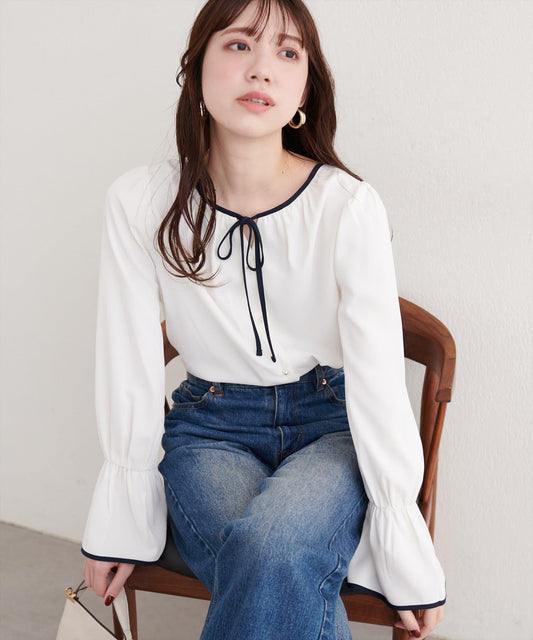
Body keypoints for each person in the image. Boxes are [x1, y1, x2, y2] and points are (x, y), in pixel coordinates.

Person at [81, 1, 446, 638]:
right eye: (238, 45)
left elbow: (379, 377)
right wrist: (119, 518)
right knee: (274, 557)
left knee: (271, 551)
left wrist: (402, 539)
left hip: (331, 427)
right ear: (196, 68)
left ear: (304, 90)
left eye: (287, 52)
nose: (262, 69)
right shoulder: (140, 202)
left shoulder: (346, 205)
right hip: (209, 429)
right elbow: (127, 359)